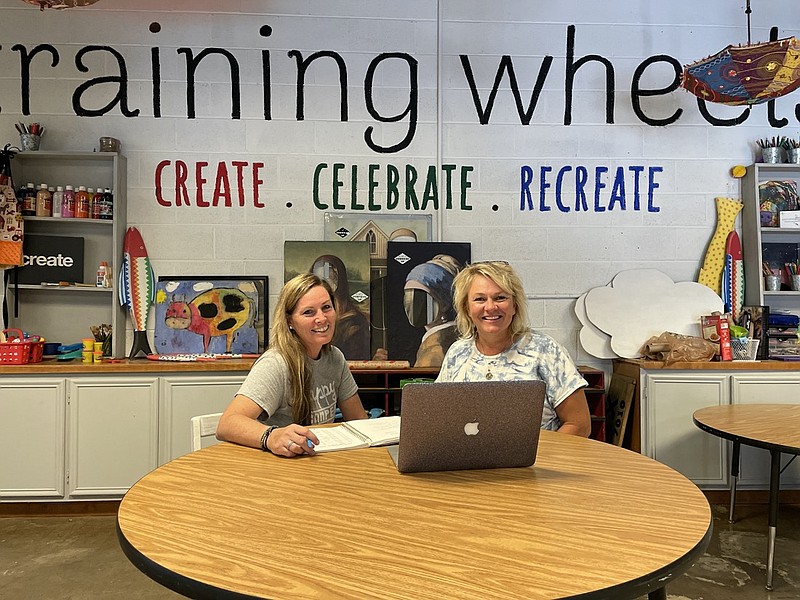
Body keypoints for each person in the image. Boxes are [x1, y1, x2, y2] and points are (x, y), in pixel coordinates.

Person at [216, 273, 368, 456]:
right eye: (308, 312)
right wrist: (271, 437)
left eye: (326, 307)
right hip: (279, 469)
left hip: (317, 464)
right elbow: (227, 424)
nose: (321, 318)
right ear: (290, 322)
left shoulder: (335, 358)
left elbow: (359, 420)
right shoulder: (275, 364)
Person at [436, 261, 591, 436]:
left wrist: (539, 456)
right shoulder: (457, 353)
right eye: (480, 299)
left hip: (534, 461)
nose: (490, 307)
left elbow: (579, 424)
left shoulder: (546, 351)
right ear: (467, 308)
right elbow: (441, 417)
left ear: (515, 305)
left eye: (500, 298)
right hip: (468, 460)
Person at [403, 254, 462, 367]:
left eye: (421, 298)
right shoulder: (434, 340)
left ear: (444, 303)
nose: (412, 305)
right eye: (408, 296)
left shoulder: (435, 351)